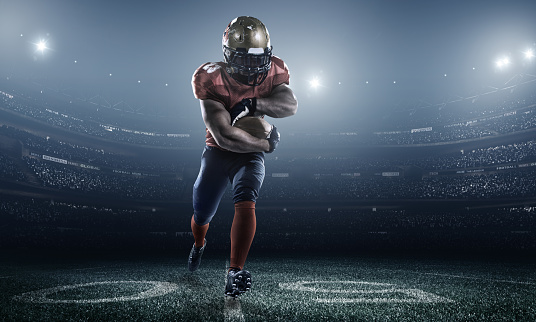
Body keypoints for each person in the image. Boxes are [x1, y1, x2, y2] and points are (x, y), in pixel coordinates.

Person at [188, 16, 298, 297]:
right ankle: (199, 244)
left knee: (246, 199)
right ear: (228, 55)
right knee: (202, 213)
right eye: (245, 59)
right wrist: (266, 144)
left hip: (248, 153)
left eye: (258, 59)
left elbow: (290, 104)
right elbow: (223, 135)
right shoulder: (210, 77)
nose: (253, 67)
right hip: (217, 152)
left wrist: (253, 103)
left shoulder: (274, 70)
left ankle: (234, 271)